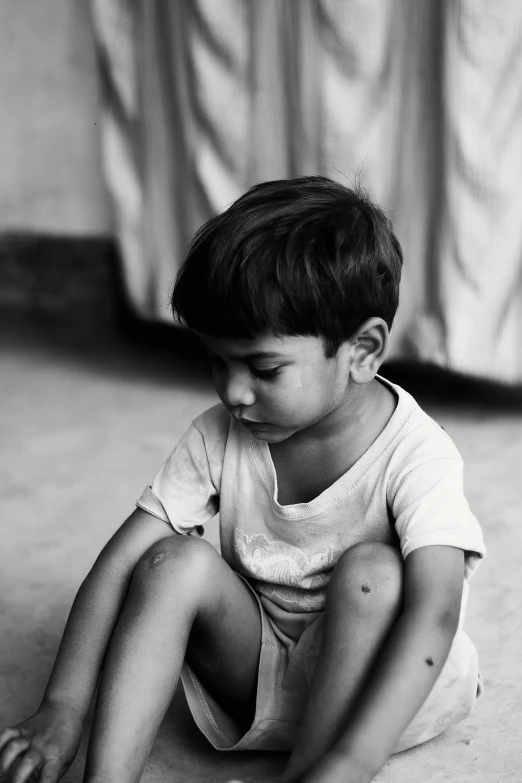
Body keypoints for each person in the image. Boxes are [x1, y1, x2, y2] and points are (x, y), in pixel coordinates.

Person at [0, 177, 485, 783]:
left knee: (376, 573)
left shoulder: (418, 455)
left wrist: (352, 760)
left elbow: (435, 611)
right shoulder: (220, 433)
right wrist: (63, 707)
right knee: (170, 560)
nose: (232, 392)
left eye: (263, 367)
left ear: (363, 349)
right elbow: (122, 563)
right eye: (216, 363)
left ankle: (316, 771)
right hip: (259, 681)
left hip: (379, 699)